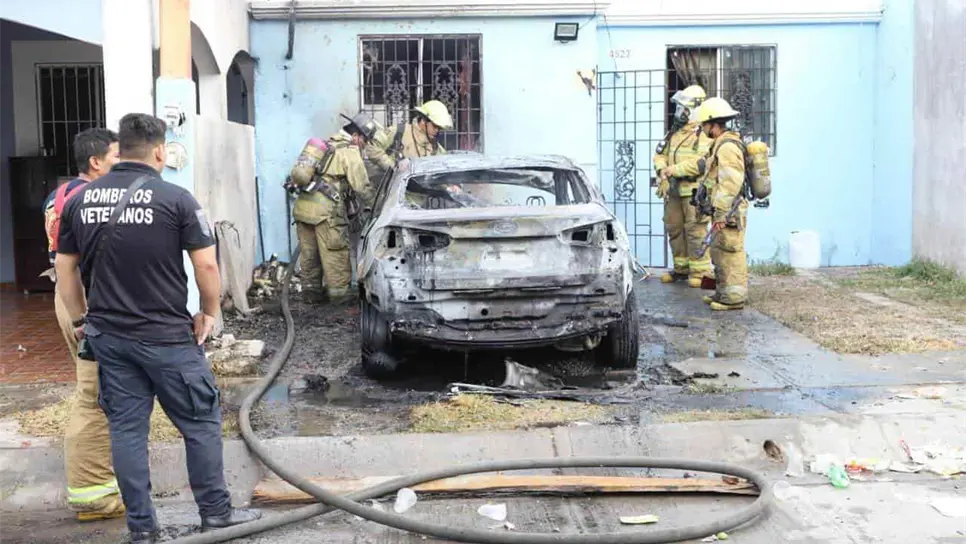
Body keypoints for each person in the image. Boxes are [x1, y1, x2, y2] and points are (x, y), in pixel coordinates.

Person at [54, 113, 261, 544]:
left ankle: (143, 530)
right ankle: (216, 515)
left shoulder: (78, 201)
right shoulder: (176, 199)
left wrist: (80, 320)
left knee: (128, 432)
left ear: (120, 149)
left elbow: (65, 269)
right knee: (200, 423)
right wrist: (208, 312)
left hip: (109, 338)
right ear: (160, 150)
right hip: (167, 338)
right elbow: (205, 263)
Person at [42, 128, 122, 521]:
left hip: (68, 297)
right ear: (96, 162)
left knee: (98, 389)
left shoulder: (58, 196)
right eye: (116, 157)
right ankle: (95, 498)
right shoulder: (89, 200)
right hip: (86, 301)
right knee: (94, 397)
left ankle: (105, 482)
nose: (120, 164)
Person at [293, 112, 377, 304]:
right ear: (356, 136)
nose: (364, 146)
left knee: (309, 255)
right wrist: (376, 206)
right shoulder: (349, 152)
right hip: (326, 214)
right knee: (335, 253)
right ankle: (340, 300)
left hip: (303, 209)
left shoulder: (326, 146)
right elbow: (362, 187)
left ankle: (311, 296)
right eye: (365, 141)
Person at [653, 85, 714, 288]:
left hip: (694, 192)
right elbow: (660, 154)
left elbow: (701, 163)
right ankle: (681, 269)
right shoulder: (675, 133)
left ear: (694, 109)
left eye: (682, 108)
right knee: (674, 228)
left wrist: (673, 170)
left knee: (695, 231)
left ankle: (701, 272)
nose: (679, 112)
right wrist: (662, 169)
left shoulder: (704, 134)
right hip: (674, 191)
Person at [692, 97, 748, 311]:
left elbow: (731, 183)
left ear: (712, 124)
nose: (703, 129)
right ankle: (723, 292)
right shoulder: (720, 145)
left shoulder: (727, 147)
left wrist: (722, 214)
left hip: (730, 210)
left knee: (730, 251)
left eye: (704, 125)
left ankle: (734, 298)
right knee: (719, 251)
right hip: (723, 210)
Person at [364, 100, 453, 171]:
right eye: (435, 126)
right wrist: (393, 167)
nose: (437, 131)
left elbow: (444, 170)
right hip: (393, 190)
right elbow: (371, 147)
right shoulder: (399, 132)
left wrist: (451, 185)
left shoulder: (436, 147)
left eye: (439, 128)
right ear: (423, 121)